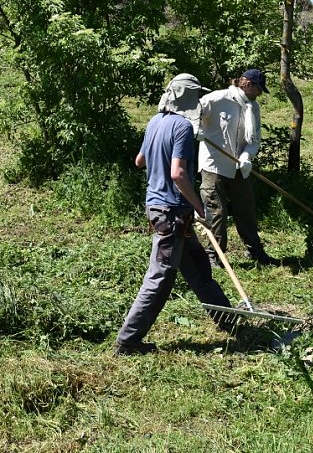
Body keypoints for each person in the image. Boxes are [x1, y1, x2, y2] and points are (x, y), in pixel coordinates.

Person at [114, 73, 234, 356]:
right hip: (172, 212)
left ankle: (230, 321)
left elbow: (140, 160)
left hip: (161, 208)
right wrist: (199, 207)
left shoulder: (154, 121)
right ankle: (128, 341)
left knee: (198, 268)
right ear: (187, 97)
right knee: (160, 277)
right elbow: (178, 174)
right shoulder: (181, 126)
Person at [197, 68, 277, 266]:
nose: (260, 93)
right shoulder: (217, 99)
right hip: (213, 165)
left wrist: (246, 156)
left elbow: (254, 138)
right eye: (259, 88)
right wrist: (195, 128)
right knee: (217, 211)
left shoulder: (253, 107)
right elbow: (193, 113)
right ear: (248, 84)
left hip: (239, 167)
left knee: (246, 207)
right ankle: (215, 256)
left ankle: (256, 252)